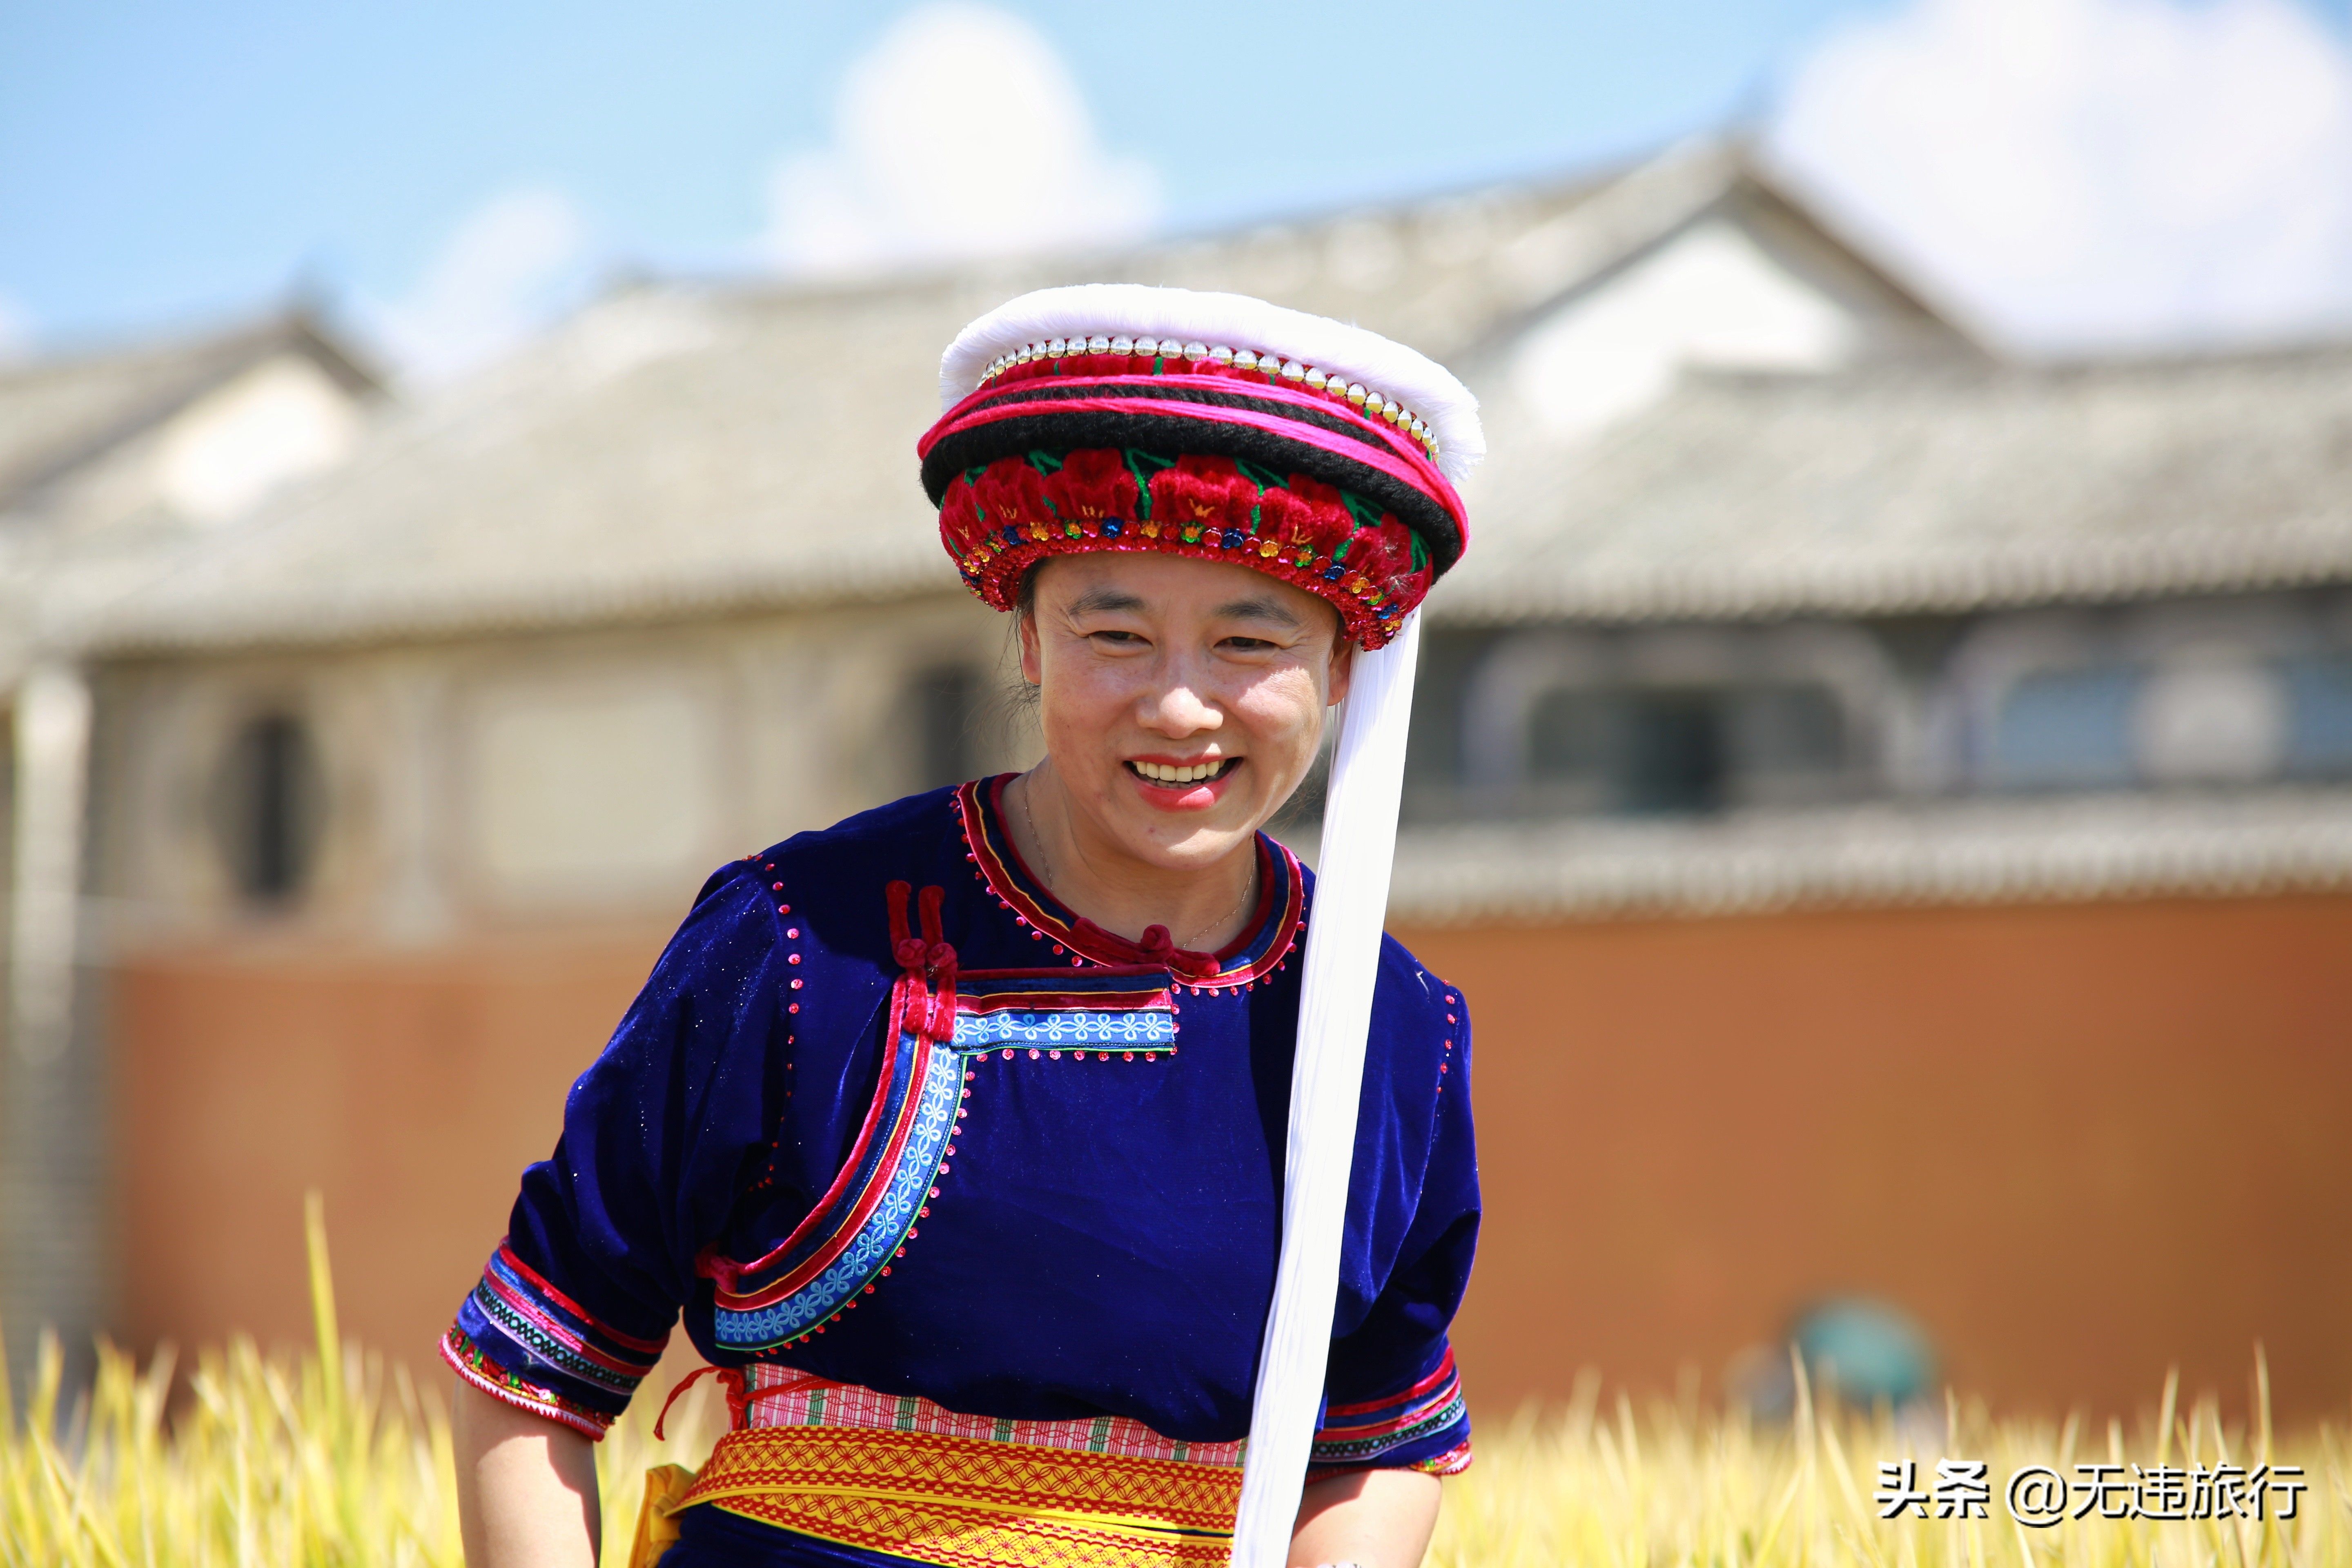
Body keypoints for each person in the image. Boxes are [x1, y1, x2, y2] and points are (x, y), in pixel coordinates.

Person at [445, 286, 1484, 1568]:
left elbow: (1377, 1445)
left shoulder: (1390, 1030)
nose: (1179, 705)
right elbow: (531, 1370)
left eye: (1246, 642)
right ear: (1029, 639)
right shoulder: (800, 945)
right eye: (1115, 632)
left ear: (1340, 669)